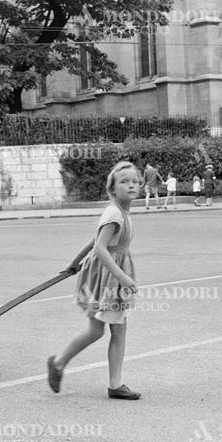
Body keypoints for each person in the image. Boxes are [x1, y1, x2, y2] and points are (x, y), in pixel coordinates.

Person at [47, 161, 141, 400]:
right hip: (108, 277)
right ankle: (60, 364)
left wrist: (74, 262)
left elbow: (93, 240)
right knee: (104, 330)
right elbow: (100, 246)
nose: (131, 185)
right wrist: (123, 277)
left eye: (134, 181)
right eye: (124, 181)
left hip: (111, 275)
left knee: (110, 330)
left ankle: (110, 382)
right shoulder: (114, 213)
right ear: (112, 189)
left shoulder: (122, 211)